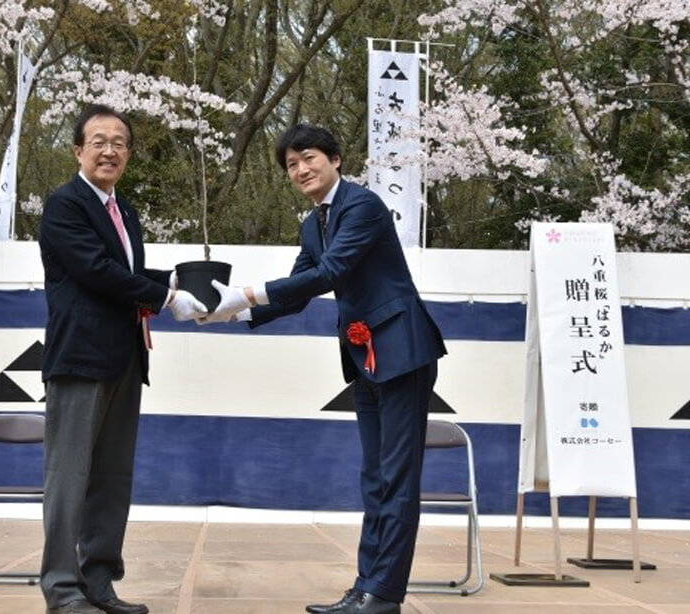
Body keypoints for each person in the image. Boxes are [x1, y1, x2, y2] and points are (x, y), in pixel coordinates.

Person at [200, 124, 447, 614]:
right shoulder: (313, 225)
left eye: (308, 157)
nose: (300, 170)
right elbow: (297, 292)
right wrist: (232, 312)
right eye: (291, 165)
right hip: (364, 358)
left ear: (334, 159)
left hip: (402, 350)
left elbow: (331, 272)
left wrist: (246, 293)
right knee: (375, 478)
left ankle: (384, 593)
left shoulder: (363, 206)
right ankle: (365, 587)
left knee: (396, 479)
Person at [39, 104, 206, 614]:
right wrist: (167, 298)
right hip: (80, 359)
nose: (109, 151)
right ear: (78, 151)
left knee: (112, 477)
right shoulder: (65, 204)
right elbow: (96, 270)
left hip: (125, 358)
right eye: (99, 141)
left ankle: (99, 583)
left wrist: (179, 283)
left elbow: (126, 269)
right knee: (70, 478)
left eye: (119, 143)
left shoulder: (124, 210)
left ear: (129, 153)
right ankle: (62, 589)